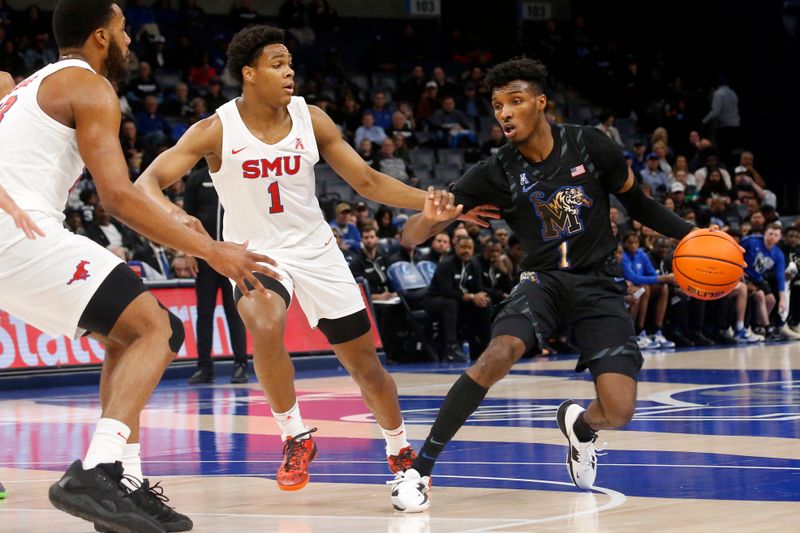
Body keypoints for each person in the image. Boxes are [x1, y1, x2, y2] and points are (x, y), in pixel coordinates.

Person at [136, 25, 472, 494]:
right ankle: (294, 436)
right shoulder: (215, 129)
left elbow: (369, 183)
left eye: (290, 62)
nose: (290, 71)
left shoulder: (311, 118)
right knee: (263, 319)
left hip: (317, 250)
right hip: (256, 253)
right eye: (277, 64)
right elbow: (146, 184)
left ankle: (398, 447)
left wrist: (433, 200)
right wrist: (179, 215)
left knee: (366, 368)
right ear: (249, 74)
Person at [0, 2, 278, 532]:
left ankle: (121, 486)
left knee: (126, 337)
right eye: (125, 29)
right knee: (160, 328)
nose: (131, 39)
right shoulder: (89, 86)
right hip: (20, 234)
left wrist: (175, 215)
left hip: (12, 238)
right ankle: (96, 471)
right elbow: (117, 199)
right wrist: (212, 251)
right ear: (102, 37)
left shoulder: (30, 87)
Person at [389, 58, 700, 512]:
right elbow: (408, 237)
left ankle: (582, 428)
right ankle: (419, 469)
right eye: (497, 105)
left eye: (515, 101)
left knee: (619, 410)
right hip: (543, 281)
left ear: (541, 102)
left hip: (599, 284)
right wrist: (430, 219)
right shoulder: (494, 170)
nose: (505, 113)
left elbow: (640, 204)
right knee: (498, 353)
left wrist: (691, 235)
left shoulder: (591, 145)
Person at [183, 164, 250, 384]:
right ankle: (204, 367)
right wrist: (189, 252)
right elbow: (187, 218)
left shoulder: (238, 175)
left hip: (232, 256)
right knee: (204, 313)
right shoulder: (196, 178)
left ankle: (241, 364)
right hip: (205, 257)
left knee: (235, 312)